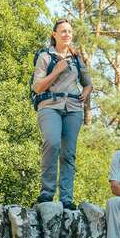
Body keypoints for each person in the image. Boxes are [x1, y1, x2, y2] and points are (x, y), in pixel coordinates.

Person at [31, 19, 93, 209]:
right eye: (63, 31)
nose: (67, 34)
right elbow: (38, 86)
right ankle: (47, 194)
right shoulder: (45, 57)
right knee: (52, 142)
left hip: (73, 109)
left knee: (69, 153)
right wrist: (56, 71)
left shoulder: (76, 58)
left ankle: (66, 198)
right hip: (49, 105)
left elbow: (88, 82)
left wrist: (86, 91)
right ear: (54, 35)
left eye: (69, 31)